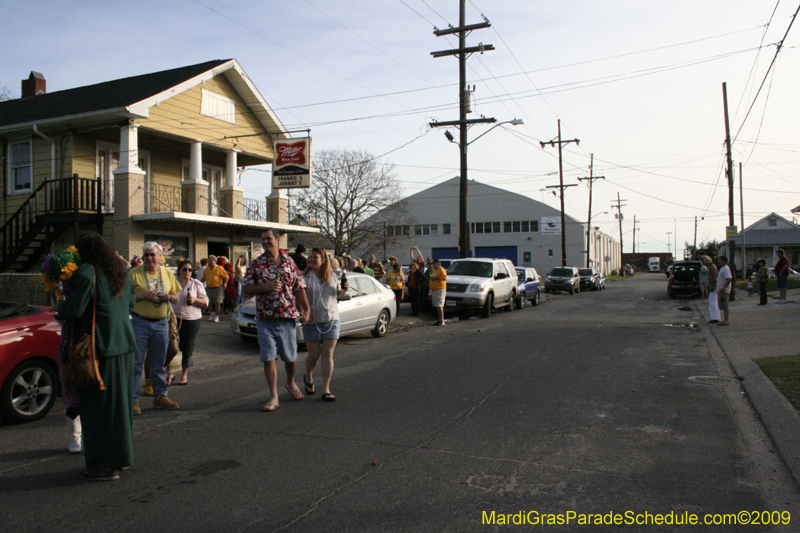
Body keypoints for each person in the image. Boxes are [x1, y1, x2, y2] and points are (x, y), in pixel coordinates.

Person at [55, 233, 136, 481]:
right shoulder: (121, 270)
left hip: (98, 349)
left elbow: (75, 309)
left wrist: (59, 306)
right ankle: (120, 459)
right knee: (120, 408)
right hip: (123, 343)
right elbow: (131, 303)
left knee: (97, 409)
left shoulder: (85, 272)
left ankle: (103, 465)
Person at [243, 228, 310, 412]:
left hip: (287, 317)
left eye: (268, 238)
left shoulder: (289, 262)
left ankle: (290, 382)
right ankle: (273, 396)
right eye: (263, 239)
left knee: (290, 358)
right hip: (266, 318)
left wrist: (306, 309)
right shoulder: (257, 264)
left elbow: (299, 287)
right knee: (268, 357)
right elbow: (245, 289)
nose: (265, 242)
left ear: (277, 240)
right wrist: (265, 286)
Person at [129, 242, 180, 413]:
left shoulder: (166, 273)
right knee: (136, 363)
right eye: (146, 255)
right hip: (139, 322)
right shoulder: (134, 273)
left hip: (161, 324)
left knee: (158, 363)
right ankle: (133, 400)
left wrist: (169, 297)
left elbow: (177, 298)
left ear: (159, 256)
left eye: (152, 255)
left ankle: (160, 396)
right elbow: (125, 298)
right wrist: (141, 296)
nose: (149, 258)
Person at [302, 248, 349, 402]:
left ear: (323, 260)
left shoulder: (333, 276)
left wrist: (344, 290)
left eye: (315, 257)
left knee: (327, 354)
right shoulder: (304, 277)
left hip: (331, 320)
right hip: (312, 321)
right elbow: (299, 297)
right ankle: (308, 373)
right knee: (314, 356)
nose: (312, 260)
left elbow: (338, 296)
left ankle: (326, 389)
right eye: (310, 257)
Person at [169, 260, 208, 386]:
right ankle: (170, 373)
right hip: (174, 319)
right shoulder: (173, 283)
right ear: (179, 270)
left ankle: (184, 373)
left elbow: (205, 302)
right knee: (172, 347)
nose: (187, 272)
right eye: (184, 269)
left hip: (192, 319)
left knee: (187, 347)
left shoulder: (196, 284)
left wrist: (195, 299)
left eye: (190, 270)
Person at [202, 255, 229, 322]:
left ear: (215, 261)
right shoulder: (207, 269)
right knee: (208, 302)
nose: (211, 261)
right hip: (209, 287)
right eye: (210, 260)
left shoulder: (219, 268)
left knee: (217, 302)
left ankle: (217, 315)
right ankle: (212, 313)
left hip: (218, 287)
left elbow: (226, 276)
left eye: (212, 260)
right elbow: (203, 278)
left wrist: (225, 283)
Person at [429, 258, 447, 326]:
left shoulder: (441, 269)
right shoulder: (434, 270)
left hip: (440, 289)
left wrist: (435, 278)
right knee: (437, 305)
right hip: (434, 290)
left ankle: (442, 320)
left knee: (439, 305)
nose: (433, 265)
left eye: (434, 264)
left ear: (437, 264)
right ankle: (439, 319)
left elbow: (444, 277)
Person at [715, 255, 733, 326]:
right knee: (721, 305)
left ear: (724, 261)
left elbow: (728, 279)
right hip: (720, 290)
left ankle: (726, 320)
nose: (718, 262)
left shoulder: (726, 269)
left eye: (720, 261)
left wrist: (723, 287)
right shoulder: (722, 268)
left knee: (725, 305)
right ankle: (724, 319)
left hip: (723, 291)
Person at [702, 256, 720, 323]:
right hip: (710, 286)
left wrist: (714, 285)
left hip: (713, 286)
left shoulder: (712, 266)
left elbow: (715, 276)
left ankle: (715, 318)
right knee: (711, 302)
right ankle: (714, 317)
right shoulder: (709, 266)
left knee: (713, 302)